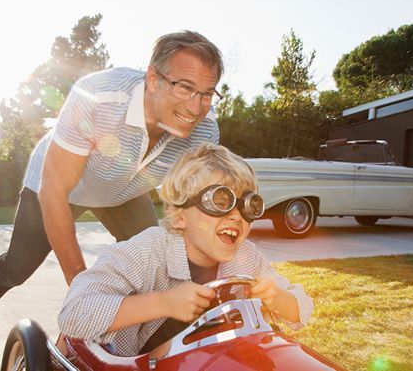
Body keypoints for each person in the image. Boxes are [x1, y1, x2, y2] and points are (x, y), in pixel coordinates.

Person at [0, 30, 224, 333]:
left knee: (159, 266)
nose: (196, 107)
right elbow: (54, 189)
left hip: (123, 190)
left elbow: (193, 209)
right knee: (17, 268)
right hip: (58, 186)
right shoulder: (99, 98)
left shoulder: (205, 131)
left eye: (207, 93)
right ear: (153, 79)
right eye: (185, 87)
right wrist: (85, 295)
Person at [57, 144, 314, 357]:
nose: (236, 216)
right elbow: (74, 313)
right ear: (180, 216)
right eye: (221, 201)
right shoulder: (146, 252)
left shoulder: (246, 257)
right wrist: (163, 303)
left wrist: (276, 297)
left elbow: (303, 307)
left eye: (249, 206)